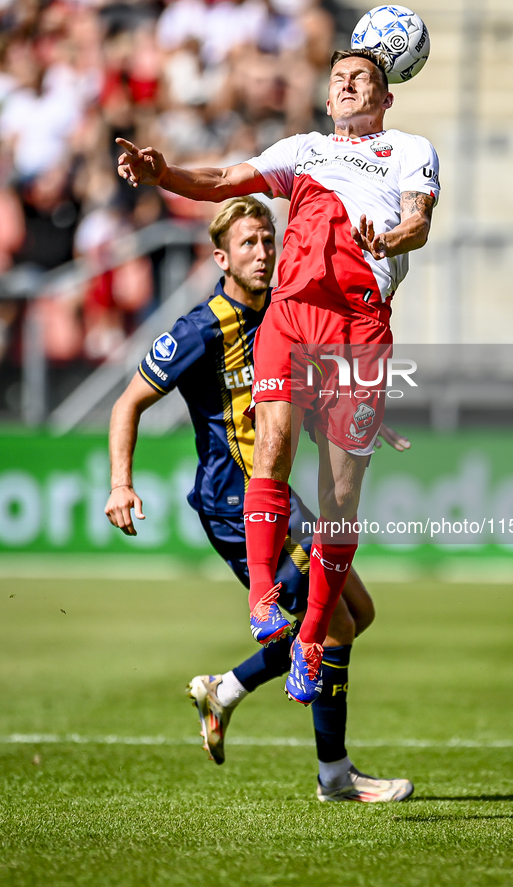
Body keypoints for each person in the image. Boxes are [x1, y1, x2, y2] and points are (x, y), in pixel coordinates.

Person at [115, 47, 440, 707]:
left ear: (385, 98)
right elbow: (223, 180)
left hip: (357, 327)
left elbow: (418, 220)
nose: (349, 86)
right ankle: (263, 597)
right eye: (339, 80)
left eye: (364, 81)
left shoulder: (409, 148)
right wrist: (162, 174)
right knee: (272, 447)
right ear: (326, 98)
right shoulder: (305, 149)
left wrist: (392, 238)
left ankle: (313, 636)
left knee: (339, 503)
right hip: (293, 315)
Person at [105, 195, 414, 802]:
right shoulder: (200, 329)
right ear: (221, 257)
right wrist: (120, 482)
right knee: (336, 626)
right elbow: (127, 402)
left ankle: (225, 689)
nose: (263, 252)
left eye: (268, 240)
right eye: (248, 243)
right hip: (231, 503)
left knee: (359, 614)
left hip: (278, 496)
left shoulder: (284, 313)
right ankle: (334, 775)